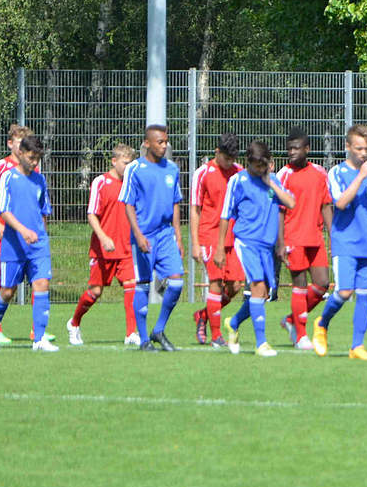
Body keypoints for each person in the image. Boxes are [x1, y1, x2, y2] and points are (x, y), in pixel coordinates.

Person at [217, 140, 296, 356]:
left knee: (262, 294)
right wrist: (219, 247)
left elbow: (290, 203)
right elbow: (225, 215)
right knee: (258, 286)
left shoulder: (273, 181)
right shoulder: (238, 181)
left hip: (266, 246)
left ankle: (233, 323)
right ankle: (261, 343)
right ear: (248, 162)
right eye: (256, 166)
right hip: (246, 242)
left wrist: (270, 183)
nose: (260, 170)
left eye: (264, 166)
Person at [312, 124, 367, 360]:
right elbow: (340, 203)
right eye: (358, 148)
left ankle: (357, 346)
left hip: (366, 245)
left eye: (366, 149)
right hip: (345, 243)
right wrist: (361, 176)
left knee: (365, 294)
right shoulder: (337, 173)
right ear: (348, 147)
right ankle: (322, 323)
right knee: (344, 291)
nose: (363, 153)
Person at [0, 135, 56, 352]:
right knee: (7, 291)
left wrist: (40, 233)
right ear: (22, 153)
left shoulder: (40, 180)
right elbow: (3, 211)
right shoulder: (7, 178)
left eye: (38, 159)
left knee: (42, 284)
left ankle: (40, 339)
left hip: (38, 244)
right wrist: (24, 231)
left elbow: (44, 210)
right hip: (14, 244)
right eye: (31, 157)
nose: (35, 162)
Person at [120, 124, 185, 352]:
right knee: (144, 286)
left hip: (166, 234)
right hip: (144, 235)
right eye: (160, 142)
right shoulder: (135, 169)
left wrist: (178, 234)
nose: (164, 145)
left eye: (166, 142)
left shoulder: (172, 169)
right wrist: (137, 234)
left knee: (177, 282)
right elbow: (128, 203)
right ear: (147, 143)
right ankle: (144, 338)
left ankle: (159, 329)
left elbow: (176, 202)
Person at [68, 144, 140, 346]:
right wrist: (103, 237)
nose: (129, 167)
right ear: (114, 161)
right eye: (126, 163)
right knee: (95, 292)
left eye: (131, 163)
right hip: (103, 249)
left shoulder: (132, 183)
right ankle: (74, 323)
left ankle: (130, 333)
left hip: (126, 248)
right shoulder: (101, 182)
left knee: (130, 286)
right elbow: (91, 214)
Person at [276, 128, 333, 349]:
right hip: (293, 238)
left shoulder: (319, 173)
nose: (291, 152)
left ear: (307, 149)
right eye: (289, 148)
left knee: (322, 284)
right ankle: (300, 335)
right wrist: (280, 243)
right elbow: (279, 211)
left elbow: (325, 204)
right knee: (299, 286)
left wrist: (332, 234)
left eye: (296, 148)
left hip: (315, 237)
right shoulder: (284, 175)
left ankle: (291, 319)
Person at [0, 124, 37, 344]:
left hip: (29, 235)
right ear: (10, 144)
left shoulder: (33, 168)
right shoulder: (0, 167)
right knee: (2, 282)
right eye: (17, 142)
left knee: (38, 279)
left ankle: (36, 330)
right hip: (5, 236)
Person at [190, 133, 243, 347]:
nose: (229, 163)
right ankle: (216, 335)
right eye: (226, 158)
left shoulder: (239, 172)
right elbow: (195, 209)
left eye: (232, 159)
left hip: (233, 235)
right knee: (215, 283)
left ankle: (204, 315)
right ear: (217, 152)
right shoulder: (202, 173)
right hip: (210, 235)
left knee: (236, 286)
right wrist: (195, 243)